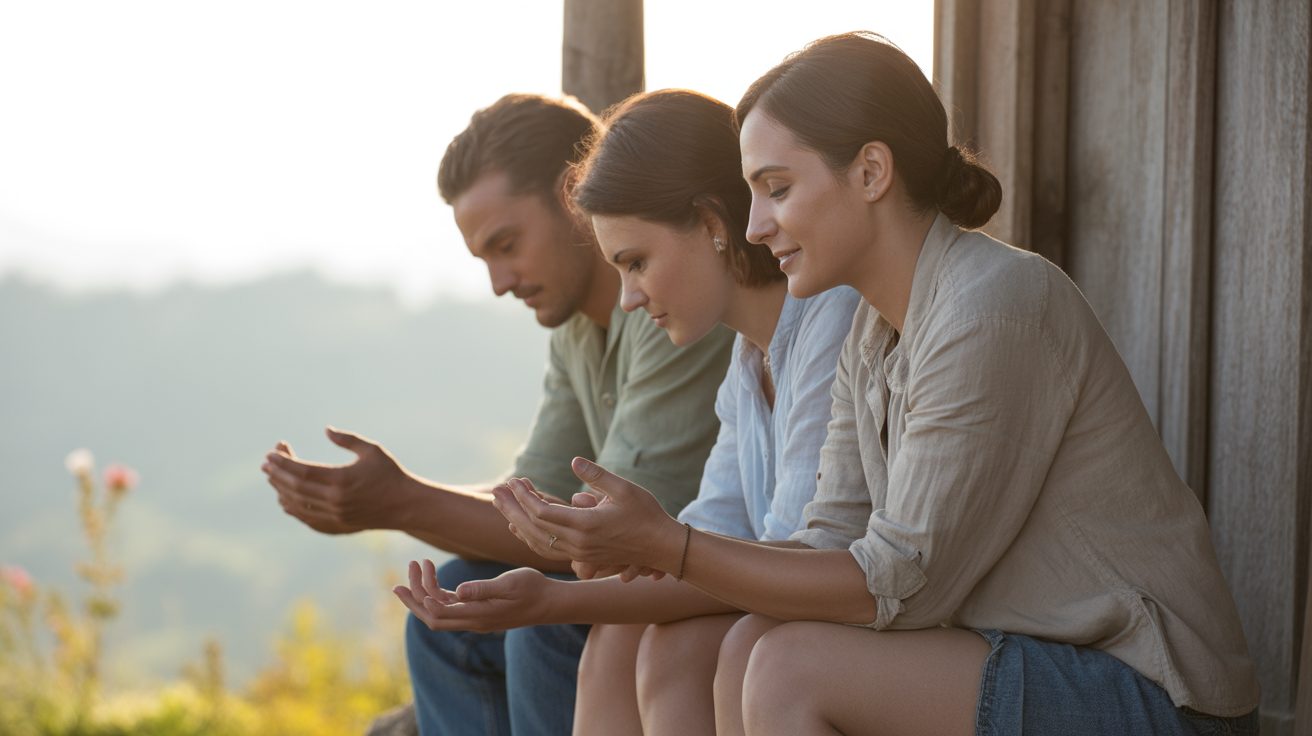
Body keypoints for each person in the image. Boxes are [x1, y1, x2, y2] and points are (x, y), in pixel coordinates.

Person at [489, 33, 1260, 736]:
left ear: (870, 171)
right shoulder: (874, 331)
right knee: (756, 642)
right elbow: (824, 542)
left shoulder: (991, 305)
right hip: (1027, 660)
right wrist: (629, 560)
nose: (755, 225)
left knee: (791, 667)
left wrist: (670, 546)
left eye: (778, 187)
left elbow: (899, 586)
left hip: (1152, 694)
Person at [260, 93, 734, 736]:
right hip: (643, 576)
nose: (499, 282)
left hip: (693, 583)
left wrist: (398, 503)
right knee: (452, 603)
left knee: (539, 632)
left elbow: (599, 538)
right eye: (484, 258)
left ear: (574, 197)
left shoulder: (673, 310)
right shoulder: (576, 330)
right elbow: (528, 502)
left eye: (507, 245)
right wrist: (389, 497)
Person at [393, 88, 859, 736]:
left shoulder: (827, 326)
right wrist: (571, 575)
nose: (631, 298)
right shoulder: (748, 365)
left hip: (863, 622)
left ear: (713, 225)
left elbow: (788, 556)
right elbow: (713, 530)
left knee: (626, 638)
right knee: (620, 633)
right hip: (785, 604)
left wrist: (563, 591)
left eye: (637, 263)